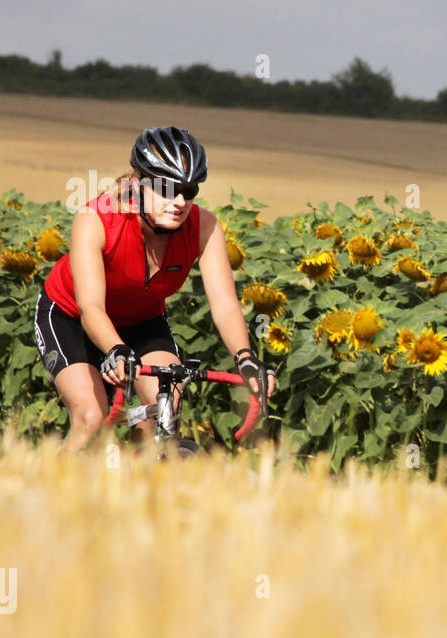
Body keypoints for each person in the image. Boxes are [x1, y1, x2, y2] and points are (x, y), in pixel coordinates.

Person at [33, 125, 275, 451]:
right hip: (71, 316)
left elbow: (224, 304)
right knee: (90, 416)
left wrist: (246, 359)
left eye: (188, 191)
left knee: (165, 412)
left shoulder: (205, 226)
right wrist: (116, 351)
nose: (178, 202)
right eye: (167, 188)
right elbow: (91, 307)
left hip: (142, 321)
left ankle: (140, 487)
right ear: (138, 184)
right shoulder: (96, 219)